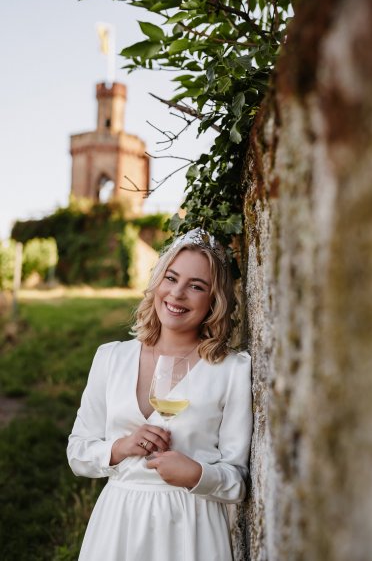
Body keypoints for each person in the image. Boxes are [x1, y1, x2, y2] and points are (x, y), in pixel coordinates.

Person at [67, 227, 253, 561]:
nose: (178, 293)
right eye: (171, 278)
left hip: (192, 527)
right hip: (118, 522)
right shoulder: (111, 357)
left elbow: (237, 480)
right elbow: (78, 452)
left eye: (196, 286)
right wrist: (120, 447)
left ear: (214, 300)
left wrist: (197, 474)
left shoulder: (232, 369)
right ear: (157, 282)